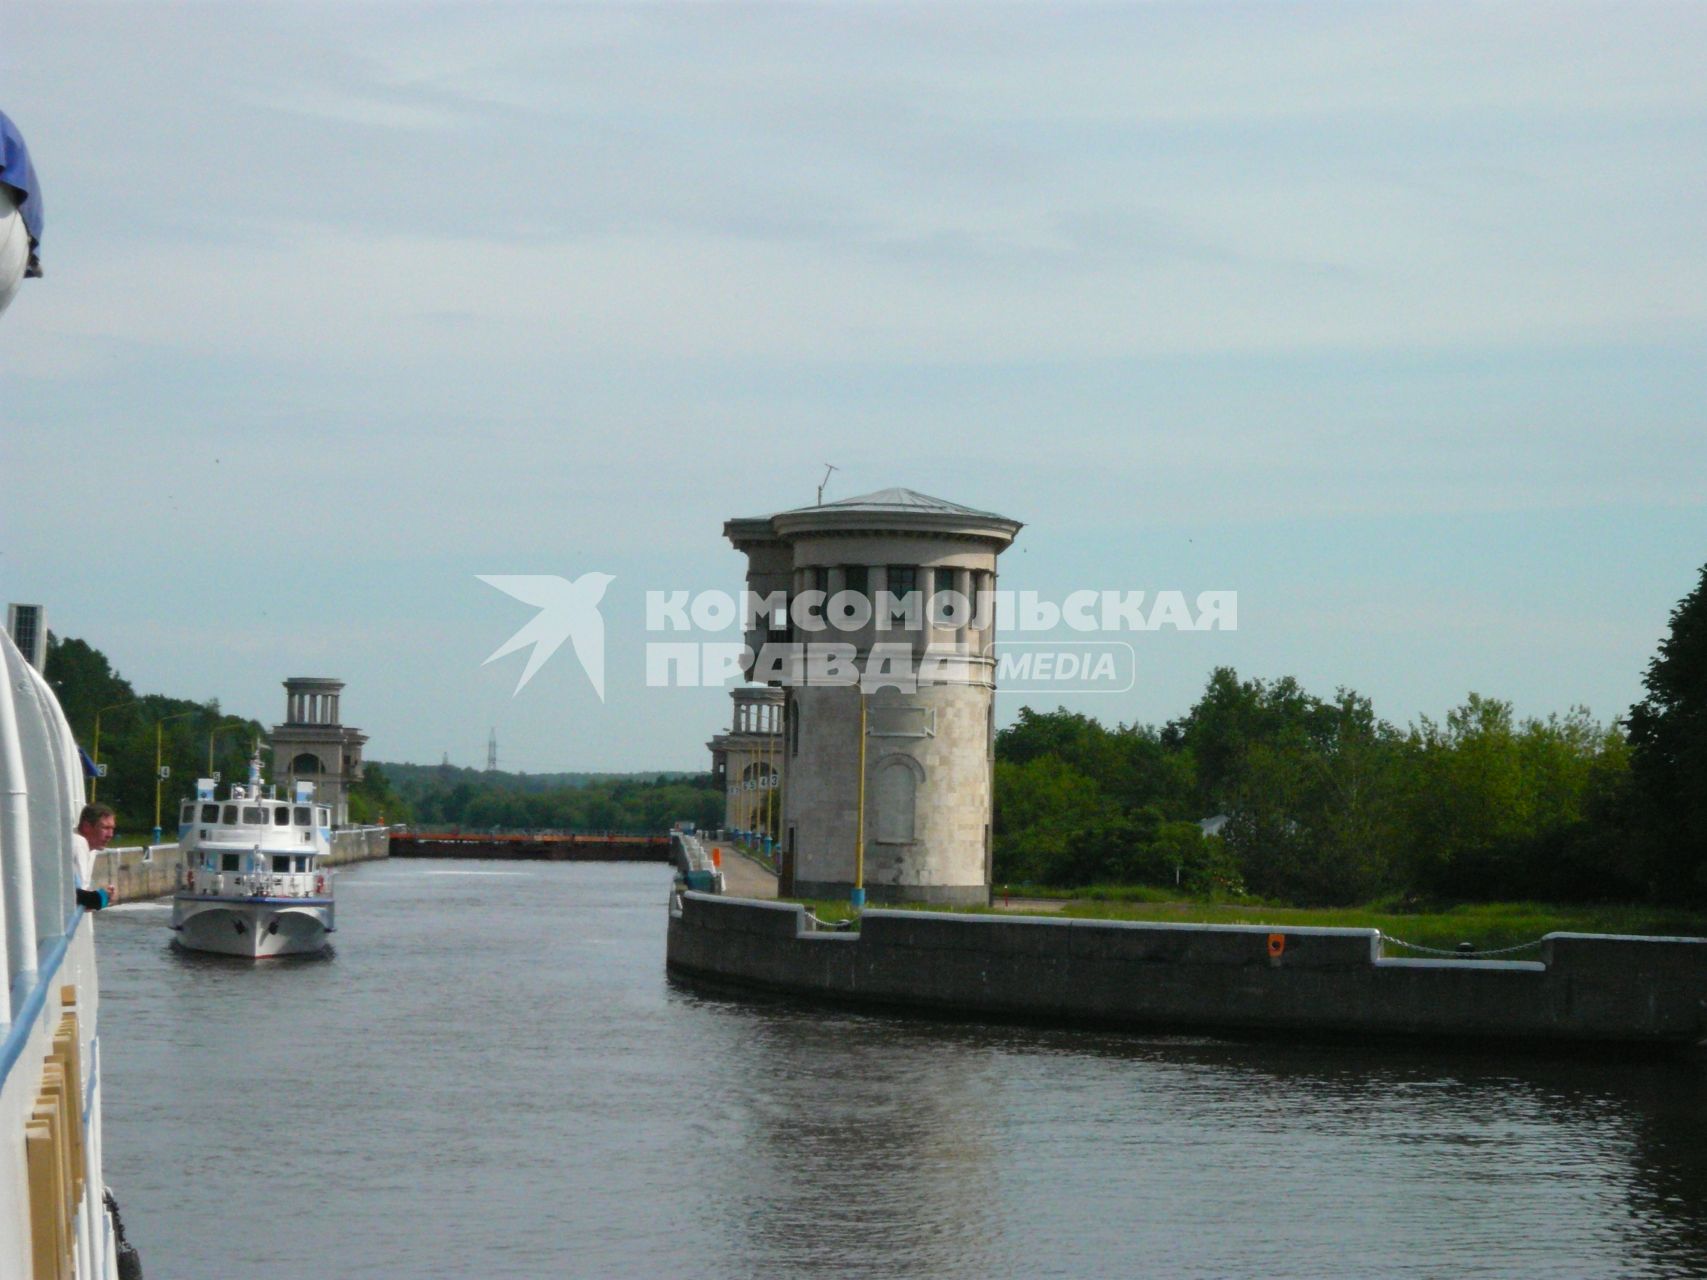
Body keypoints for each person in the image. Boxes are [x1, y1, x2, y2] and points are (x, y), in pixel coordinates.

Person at [72, 803, 115, 911]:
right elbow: (72, 897)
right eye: (105, 827)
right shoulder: (78, 843)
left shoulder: (92, 850)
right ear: (87, 827)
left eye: (112, 828)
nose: (110, 834)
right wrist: (101, 898)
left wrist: (102, 898)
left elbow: (80, 902)